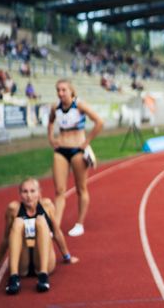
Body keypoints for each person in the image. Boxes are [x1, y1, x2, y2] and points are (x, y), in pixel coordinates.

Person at [0, 177, 78, 295]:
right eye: (25, 192)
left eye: (32, 191)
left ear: (39, 192)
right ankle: (14, 278)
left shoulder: (47, 205)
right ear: (20, 194)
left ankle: (43, 276)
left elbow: (57, 232)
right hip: (22, 263)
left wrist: (67, 257)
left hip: (43, 260)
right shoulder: (13, 209)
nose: (29, 195)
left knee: (41, 221)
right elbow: (6, 237)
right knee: (18, 222)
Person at [48, 79, 103, 236]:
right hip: (61, 151)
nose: (60, 93)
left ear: (71, 91)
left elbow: (99, 122)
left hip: (77, 151)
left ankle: (79, 224)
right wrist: (51, 138)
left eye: (64, 90)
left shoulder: (79, 105)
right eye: (58, 90)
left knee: (81, 188)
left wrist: (87, 141)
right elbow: (50, 122)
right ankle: (55, 226)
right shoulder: (55, 107)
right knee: (59, 190)